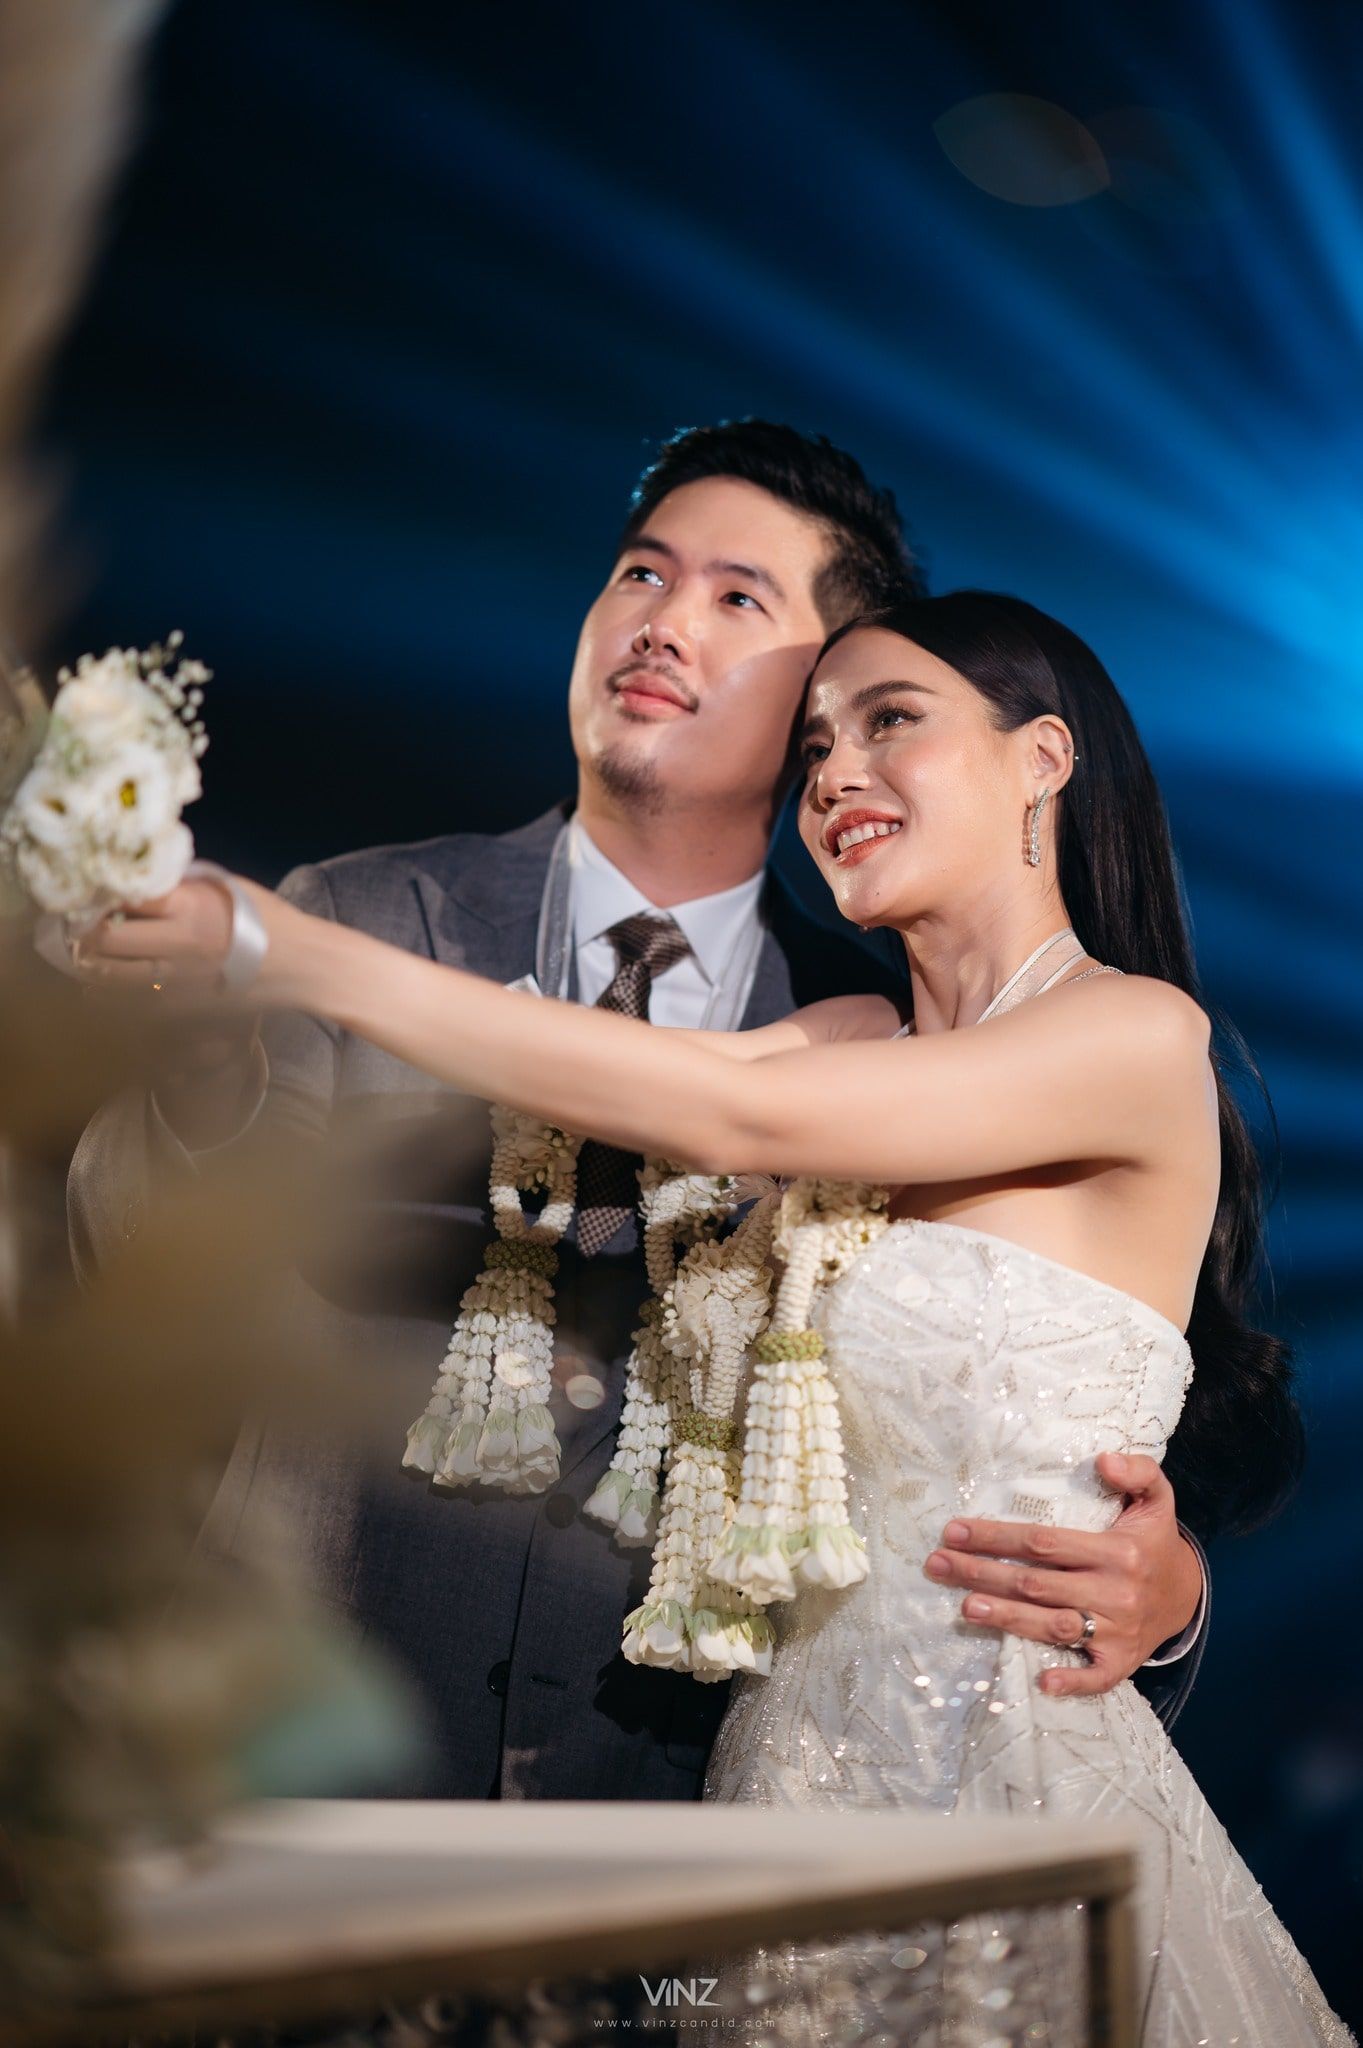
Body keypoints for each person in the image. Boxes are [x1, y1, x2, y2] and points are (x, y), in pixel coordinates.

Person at [80, 588, 1346, 2042]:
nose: (837, 774)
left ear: (1044, 758)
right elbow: (642, 1095)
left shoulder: (1136, 1033)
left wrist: (289, 949)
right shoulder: (853, 1031)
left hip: (997, 1777)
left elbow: (732, 1113)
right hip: (782, 1774)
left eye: (891, 722)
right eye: (815, 747)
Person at [69, 427, 1208, 1806]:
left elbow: (1075, 1399)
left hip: (675, 1784)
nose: (664, 622)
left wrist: (1174, 1591)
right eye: (641, 574)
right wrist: (208, 1054)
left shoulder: (931, 1020)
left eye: (738, 597)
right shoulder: (376, 909)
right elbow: (141, 1278)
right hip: (323, 1755)